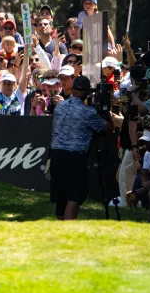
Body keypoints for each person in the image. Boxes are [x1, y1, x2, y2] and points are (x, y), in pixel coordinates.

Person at [49, 76, 118, 220]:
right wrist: (107, 112)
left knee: (61, 196)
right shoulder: (88, 112)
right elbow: (108, 127)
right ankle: (68, 228)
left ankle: (59, 228)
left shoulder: (60, 106)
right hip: (74, 157)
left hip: (56, 154)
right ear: (87, 93)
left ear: (73, 90)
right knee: (74, 196)